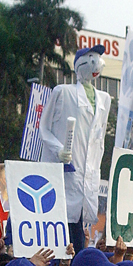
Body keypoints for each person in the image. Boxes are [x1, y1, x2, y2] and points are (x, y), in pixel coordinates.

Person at [39, 44, 112, 249]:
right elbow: (44, 128)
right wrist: (58, 150)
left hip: (87, 178)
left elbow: (99, 142)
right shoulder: (63, 92)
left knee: (79, 232)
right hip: (65, 174)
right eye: (91, 60)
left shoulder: (105, 99)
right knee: (62, 228)